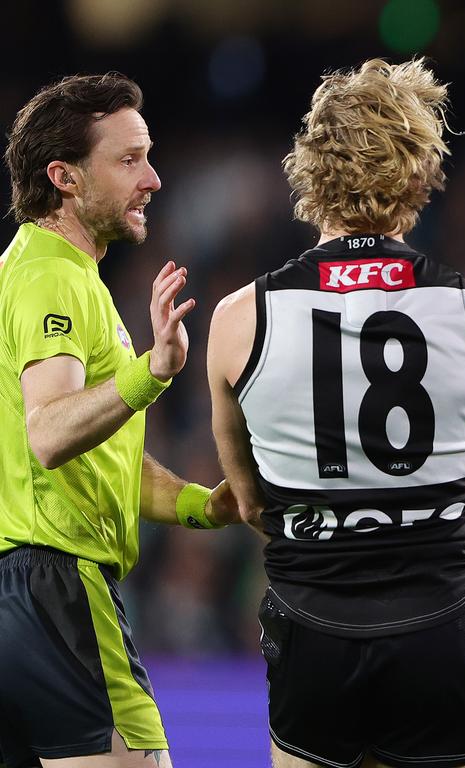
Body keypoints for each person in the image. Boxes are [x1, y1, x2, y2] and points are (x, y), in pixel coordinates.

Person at [206, 58, 465, 768]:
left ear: (309, 172)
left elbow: (249, 499)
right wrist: (454, 421)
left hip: (314, 627)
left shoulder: (240, 317)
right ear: (420, 176)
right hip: (441, 628)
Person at [0, 73, 238, 768]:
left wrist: (201, 506)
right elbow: (50, 433)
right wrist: (152, 372)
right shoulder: (56, 278)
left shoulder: (25, 269)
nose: (154, 178)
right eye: (129, 159)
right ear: (64, 177)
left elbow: (89, 458)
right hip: (59, 590)